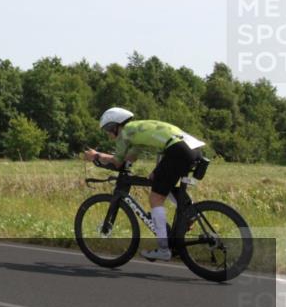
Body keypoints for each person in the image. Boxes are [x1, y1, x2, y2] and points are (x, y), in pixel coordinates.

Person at [84, 107, 204, 262]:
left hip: (177, 151)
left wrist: (96, 155)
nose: (108, 134)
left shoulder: (125, 132)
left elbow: (118, 162)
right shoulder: (137, 130)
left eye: (107, 130)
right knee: (157, 180)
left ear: (114, 126)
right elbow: (130, 158)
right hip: (192, 148)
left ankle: (163, 249)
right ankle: (190, 212)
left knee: (155, 198)